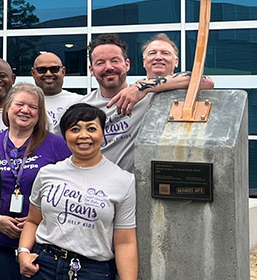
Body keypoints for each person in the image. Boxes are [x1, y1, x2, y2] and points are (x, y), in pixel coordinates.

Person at [17, 103, 138, 280]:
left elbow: (125, 242)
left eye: (91, 128)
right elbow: (33, 221)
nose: (83, 136)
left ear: (102, 134)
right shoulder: (47, 173)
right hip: (43, 266)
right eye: (75, 129)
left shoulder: (123, 181)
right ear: (65, 136)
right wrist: (23, 252)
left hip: (92, 271)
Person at [77, 34, 214, 171]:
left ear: (127, 65)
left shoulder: (148, 96)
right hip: (94, 185)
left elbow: (205, 81)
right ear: (91, 70)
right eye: (100, 63)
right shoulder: (79, 107)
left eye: (115, 61)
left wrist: (142, 87)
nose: (109, 67)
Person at [0, 83, 70, 280]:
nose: (25, 110)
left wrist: (37, 219)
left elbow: (71, 191)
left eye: (33, 107)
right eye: (20, 104)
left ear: (40, 112)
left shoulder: (57, 145)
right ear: (8, 107)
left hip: (42, 248)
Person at [29, 52, 82, 135]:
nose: (48, 74)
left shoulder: (79, 102)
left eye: (54, 69)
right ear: (33, 73)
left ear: (63, 71)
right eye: (42, 70)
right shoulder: (24, 103)